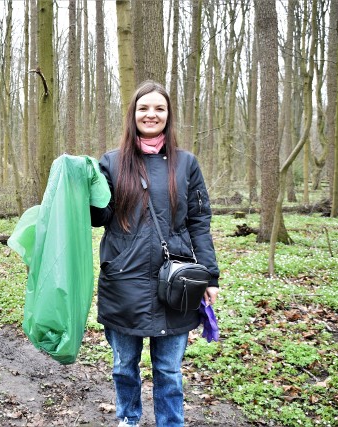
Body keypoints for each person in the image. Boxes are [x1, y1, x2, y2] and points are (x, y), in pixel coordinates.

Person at [90, 80, 220, 427]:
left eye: (159, 108)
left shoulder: (187, 164)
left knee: (169, 370)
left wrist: (210, 275)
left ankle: (170, 423)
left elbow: (199, 223)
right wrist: (84, 182)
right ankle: (129, 419)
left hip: (176, 286)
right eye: (144, 108)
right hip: (123, 283)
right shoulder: (111, 163)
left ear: (168, 115)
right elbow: (98, 217)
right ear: (133, 115)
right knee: (123, 367)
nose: (151, 114)